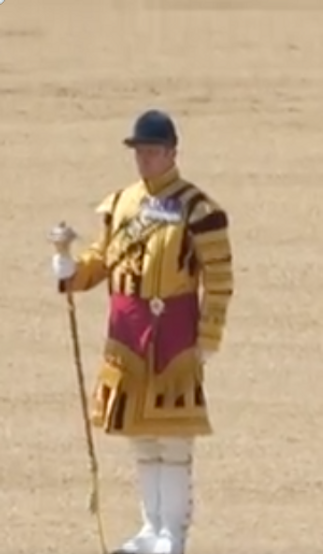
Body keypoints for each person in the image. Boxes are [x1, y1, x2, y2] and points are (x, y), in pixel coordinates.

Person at [47, 109, 232, 554]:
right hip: (126, 333)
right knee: (141, 436)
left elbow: (219, 279)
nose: (145, 159)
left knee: (174, 437)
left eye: (152, 151)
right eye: (140, 151)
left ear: (171, 152)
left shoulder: (198, 209)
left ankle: (174, 533)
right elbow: (100, 259)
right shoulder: (119, 204)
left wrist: (207, 336)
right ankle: (151, 528)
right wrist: (71, 270)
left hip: (173, 333)